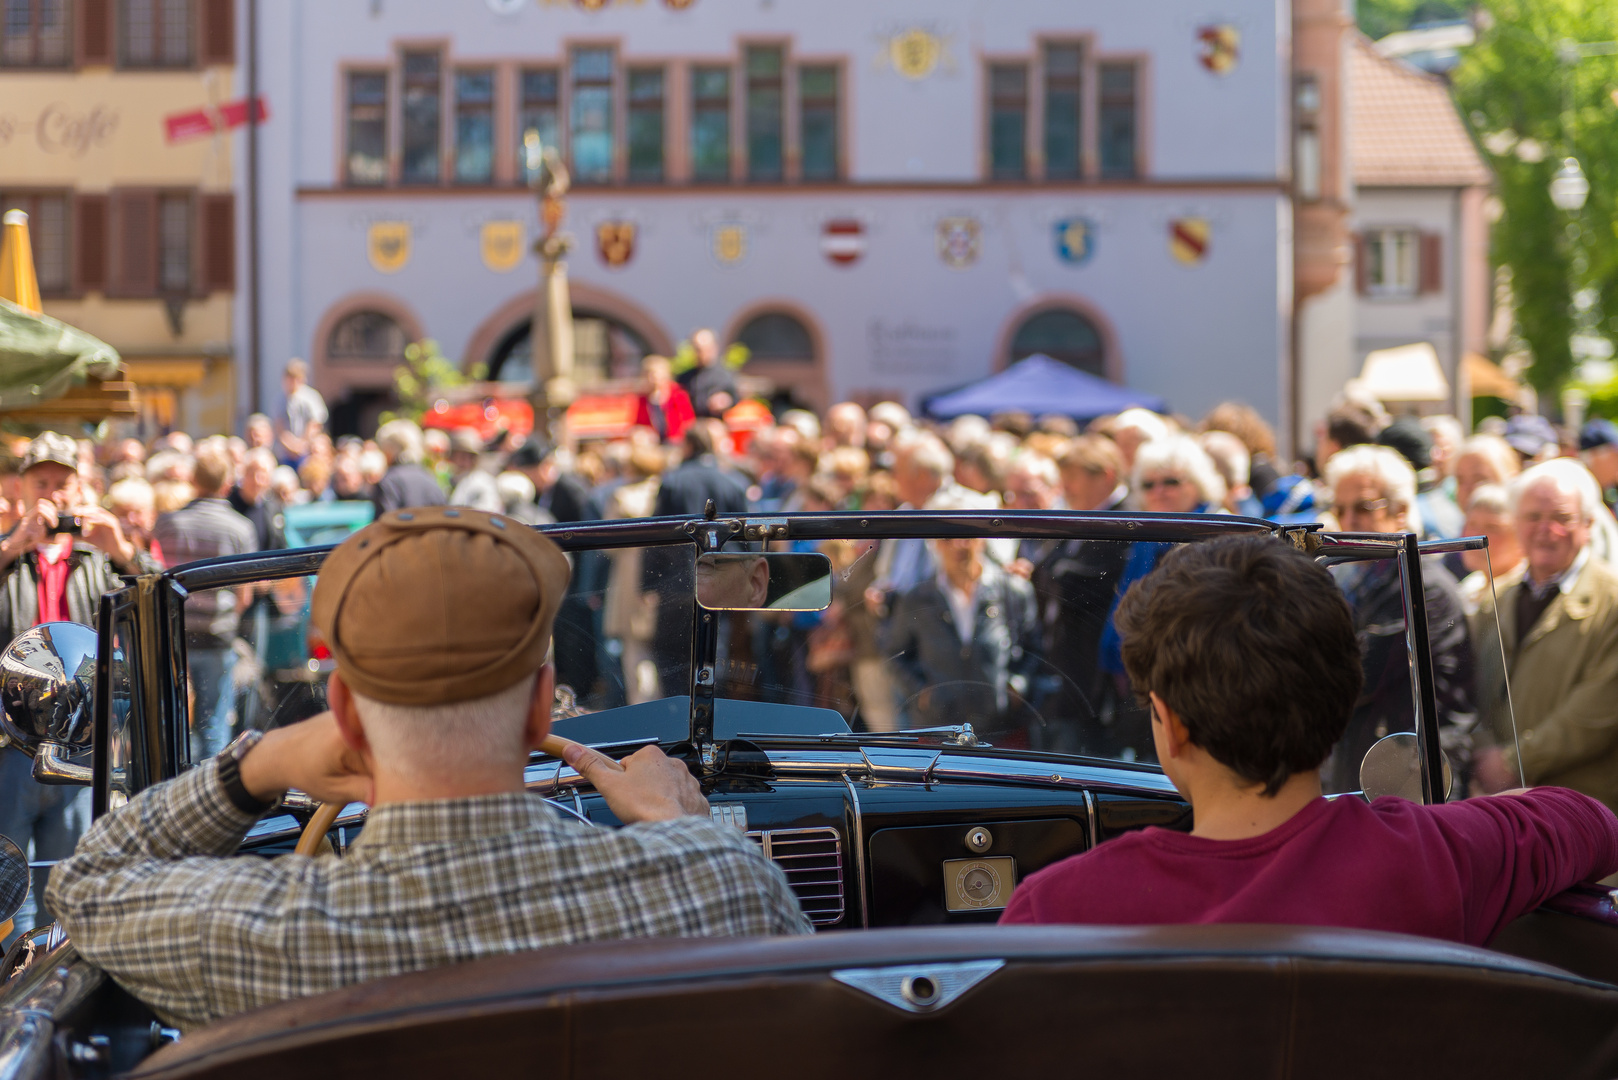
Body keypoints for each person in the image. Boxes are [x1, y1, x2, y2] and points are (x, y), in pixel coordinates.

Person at [48, 505, 809, 1032]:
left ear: (344, 713)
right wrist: (681, 833)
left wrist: (263, 762)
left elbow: (85, 881)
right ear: (543, 705)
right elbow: (823, 1018)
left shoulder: (256, 931)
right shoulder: (718, 880)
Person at [999, 534, 1618, 946]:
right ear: (1340, 698)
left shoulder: (1059, 909)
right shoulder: (1436, 858)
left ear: (1173, 725)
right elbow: (1589, 821)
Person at [0, 432, 158, 945]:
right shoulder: (10, 551)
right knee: (8, 878)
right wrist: (12, 546)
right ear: (20, 489)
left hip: (78, 739)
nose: (53, 494)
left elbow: (165, 604)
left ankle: (48, 975)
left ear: (82, 488)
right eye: (41, 482)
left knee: (63, 875)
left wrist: (125, 552)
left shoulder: (97, 558)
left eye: (63, 484)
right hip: (9, 739)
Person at [1321, 445, 1476, 792]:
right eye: (1339, 509)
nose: (1348, 520)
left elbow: (1355, 678)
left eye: (1363, 507)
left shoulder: (1424, 587)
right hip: (1365, 769)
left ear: (1401, 512)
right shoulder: (1348, 577)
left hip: (1414, 778)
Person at [1472, 460, 1618, 809]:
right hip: (1503, 808)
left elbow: (1596, 712)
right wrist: (1482, 751)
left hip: (1581, 808)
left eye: (1561, 518)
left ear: (1588, 524)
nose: (1545, 529)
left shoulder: (1611, 601)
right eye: (1533, 517)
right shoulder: (1495, 598)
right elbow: (1473, 689)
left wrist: (1513, 763)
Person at [153, 438, 259, 760]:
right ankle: (211, 794)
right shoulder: (240, 528)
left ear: (193, 481)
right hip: (217, 636)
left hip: (174, 637)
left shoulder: (166, 523)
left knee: (172, 722)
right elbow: (245, 595)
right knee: (213, 723)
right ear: (228, 483)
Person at [885, 531, 1038, 735]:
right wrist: (921, 691)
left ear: (982, 539)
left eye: (968, 536)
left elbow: (1035, 649)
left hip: (1001, 729)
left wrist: (1016, 688)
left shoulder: (1012, 591)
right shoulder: (917, 597)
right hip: (938, 729)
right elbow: (895, 652)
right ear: (936, 544)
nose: (958, 544)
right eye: (947, 538)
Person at [372, 419, 446, 515]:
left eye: (383, 448)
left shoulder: (390, 480)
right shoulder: (430, 477)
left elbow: (386, 522)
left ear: (391, 449)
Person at [229, 448, 287, 553]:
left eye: (263, 475)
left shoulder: (273, 509)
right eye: (252, 473)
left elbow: (280, 546)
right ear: (243, 473)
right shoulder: (229, 506)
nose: (257, 481)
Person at [633, 356, 696, 445]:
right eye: (647, 375)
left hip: (676, 441)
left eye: (653, 374)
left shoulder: (677, 394)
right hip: (653, 442)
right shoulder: (644, 399)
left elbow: (688, 421)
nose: (651, 379)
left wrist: (678, 436)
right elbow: (639, 424)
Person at [277, 359, 328, 466]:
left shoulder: (311, 397)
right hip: (287, 452)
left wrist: (302, 444)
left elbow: (315, 424)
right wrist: (291, 445)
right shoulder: (280, 400)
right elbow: (279, 427)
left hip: (308, 450)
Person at [678, 328, 738, 418]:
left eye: (703, 349)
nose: (700, 353)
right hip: (692, 424)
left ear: (714, 348)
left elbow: (735, 398)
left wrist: (725, 400)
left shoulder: (726, 375)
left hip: (718, 423)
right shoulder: (685, 377)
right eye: (697, 349)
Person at [446, 428, 503, 513]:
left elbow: (488, 514)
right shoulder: (450, 479)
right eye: (459, 456)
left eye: (468, 457)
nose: (462, 461)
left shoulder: (482, 482)